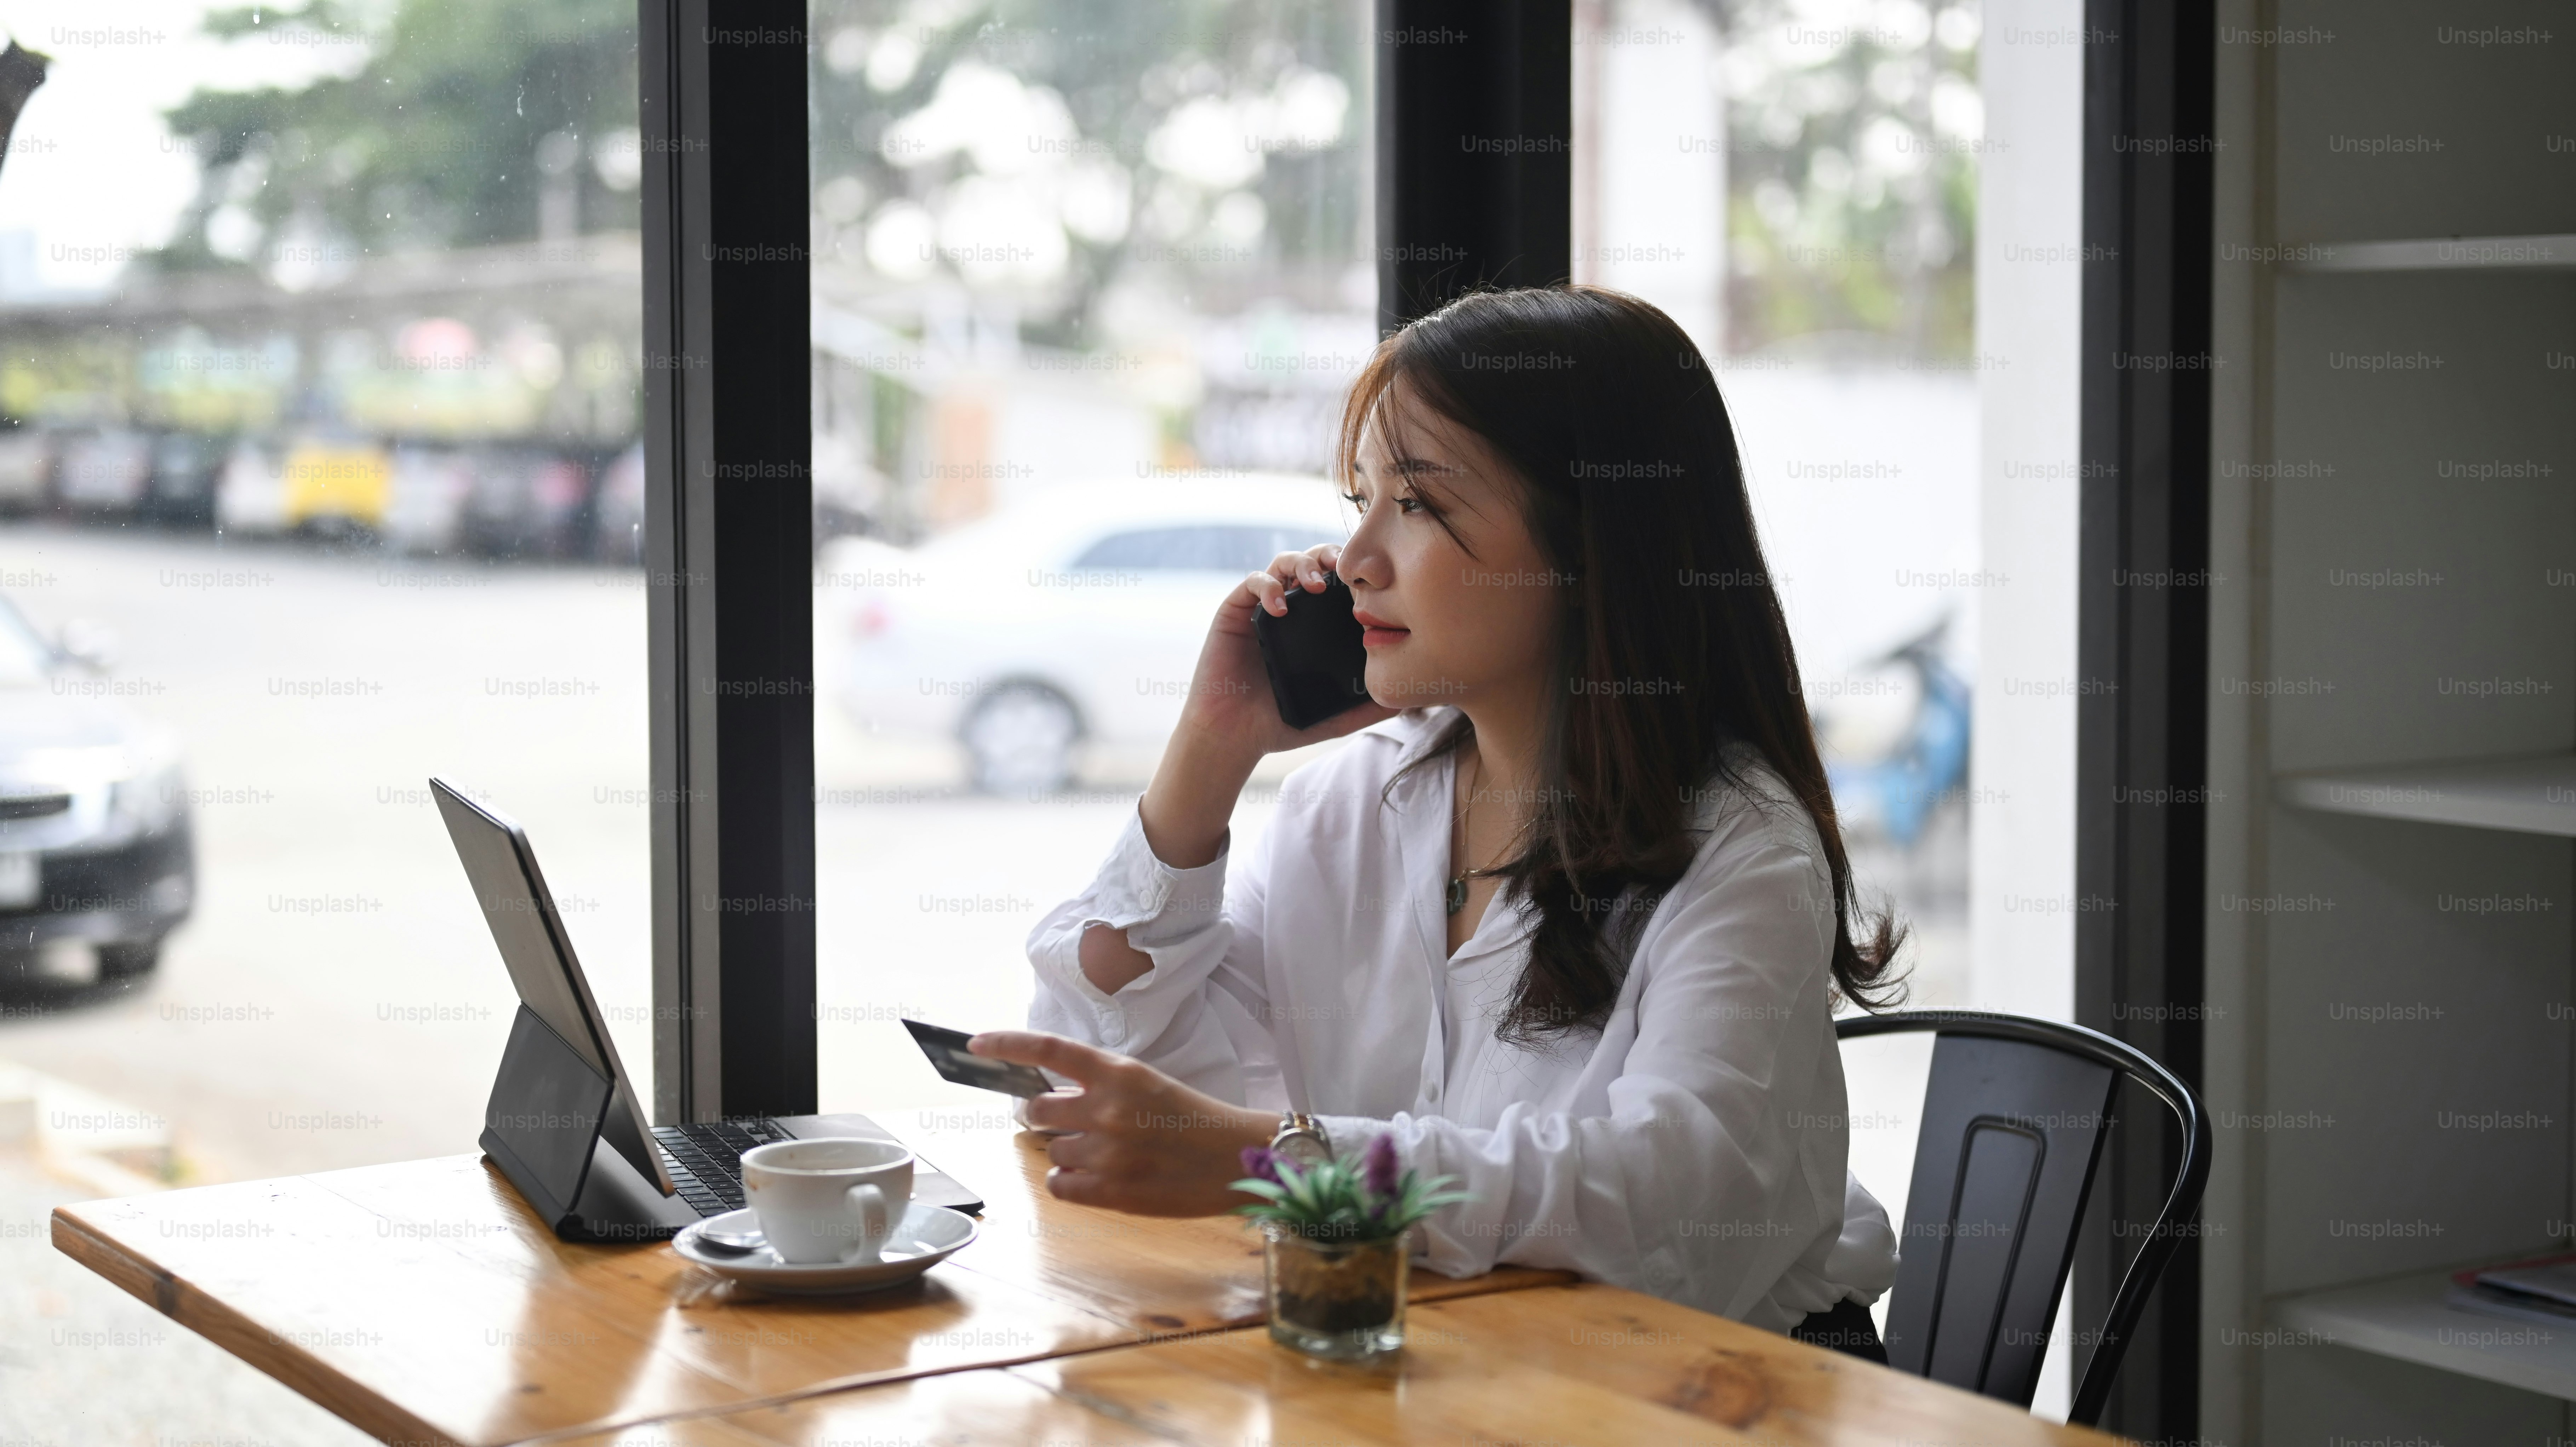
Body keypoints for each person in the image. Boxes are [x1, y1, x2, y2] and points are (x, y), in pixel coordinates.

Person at [969, 284, 1905, 1355]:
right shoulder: (1351, 803)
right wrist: (1209, 750)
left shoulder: (1741, 848)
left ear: (1588, 541)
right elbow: (1102, 1091)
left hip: (1717, 1392)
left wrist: (1272, 1158)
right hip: (1448, 1363)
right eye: (1359, 496)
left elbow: (1669, 1207)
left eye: (1415, 503)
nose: (1358, 556)